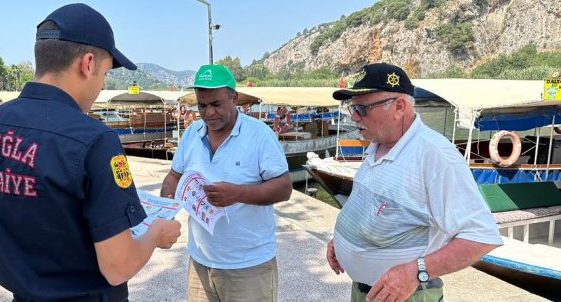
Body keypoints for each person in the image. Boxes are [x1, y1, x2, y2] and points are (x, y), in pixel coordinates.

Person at [0, 3, 181, 302]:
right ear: (88, 64)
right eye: (104, 75)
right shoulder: (95, 141)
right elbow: (118, 266)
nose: (101, 86)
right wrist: (155, 234)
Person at [326, 63, 503, 302]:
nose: (354, 116)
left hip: (406, 295)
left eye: (362, 108)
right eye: (351, 107)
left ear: (399, 106)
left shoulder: (435, 156)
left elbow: (481, 236)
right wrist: (343, 239)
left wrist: (414, 272)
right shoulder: (376, 145)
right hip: (366, 291)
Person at [160, 64, 292, 302]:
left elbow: (284, 187)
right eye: (202, 105)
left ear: (234, 97)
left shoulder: (259, 134)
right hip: (200, 261)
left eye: (216, 104)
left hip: (248, 266)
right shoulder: (191, 133)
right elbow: (173, 177)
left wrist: (238, 194)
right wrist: (164, 209)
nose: (209, 112)